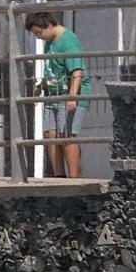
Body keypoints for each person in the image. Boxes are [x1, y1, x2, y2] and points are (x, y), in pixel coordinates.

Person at [24, 10, 88, 178]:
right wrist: (40, 87)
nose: (39, 37)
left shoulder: (68, 41)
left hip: (69, 93)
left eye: (39, 32)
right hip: (53, 93)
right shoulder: (49, 41)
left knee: (66, 135)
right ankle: (59, 175)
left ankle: (74, 177)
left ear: (49, 25)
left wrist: (72, 96)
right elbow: (52, 69)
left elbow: (76, 71)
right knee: (50, 134)